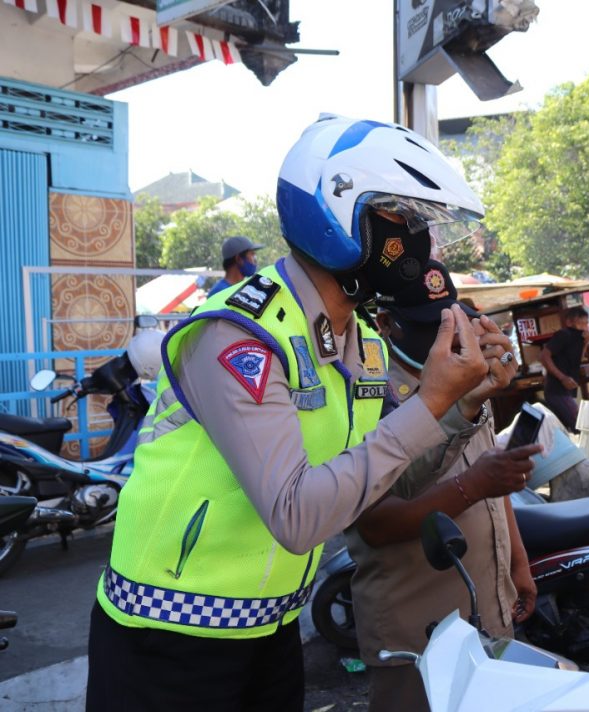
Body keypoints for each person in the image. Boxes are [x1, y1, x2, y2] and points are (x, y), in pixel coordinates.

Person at [86, 115, 501, 711]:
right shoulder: (238, 336)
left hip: (270, 627)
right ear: (342, 213)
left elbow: (373, 475)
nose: (425, 249)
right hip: (167, 636)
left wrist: (462, 402)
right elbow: (298, 515)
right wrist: (433, 401)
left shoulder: (362, 342)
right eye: (410, 223)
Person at [349, 260, 538, 712]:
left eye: (448, 322)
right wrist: (472, 485)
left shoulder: (466, 372)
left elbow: (494, 476)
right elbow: (375, 522)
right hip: (419, 633)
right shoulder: (366, 393)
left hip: (486, 609)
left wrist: (518, 562)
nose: (443, 338)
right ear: (385, 322)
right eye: (428, 327)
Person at [540, 306, 589, 432]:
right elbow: (544, 356)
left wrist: (585, 343)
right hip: (556, 391)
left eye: (585, 323)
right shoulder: (563, 334)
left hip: (567, 390)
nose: (583, 326)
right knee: (580, 425)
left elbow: (576, 360)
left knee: (568, 428)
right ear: (569, 322)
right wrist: (562, 377)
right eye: (580, 323)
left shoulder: (579, 338)